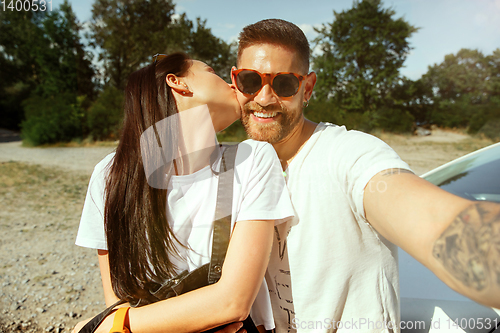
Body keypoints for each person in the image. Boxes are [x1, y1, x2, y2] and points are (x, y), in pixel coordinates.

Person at [224, 19, 500, 332]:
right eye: (250, 80)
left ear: (307, 88)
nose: (263, 98)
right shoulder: (239, 166)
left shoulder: (349, 153)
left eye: (284, 84)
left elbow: (437, 225)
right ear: (234, 80)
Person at [73, 53, 295, 333]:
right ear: (177, 83)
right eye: (212, 71)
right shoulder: (110, 174)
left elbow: (233, 303)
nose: (232, 83)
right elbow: (119, 297)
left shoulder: (253, 157)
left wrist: (113, 325)